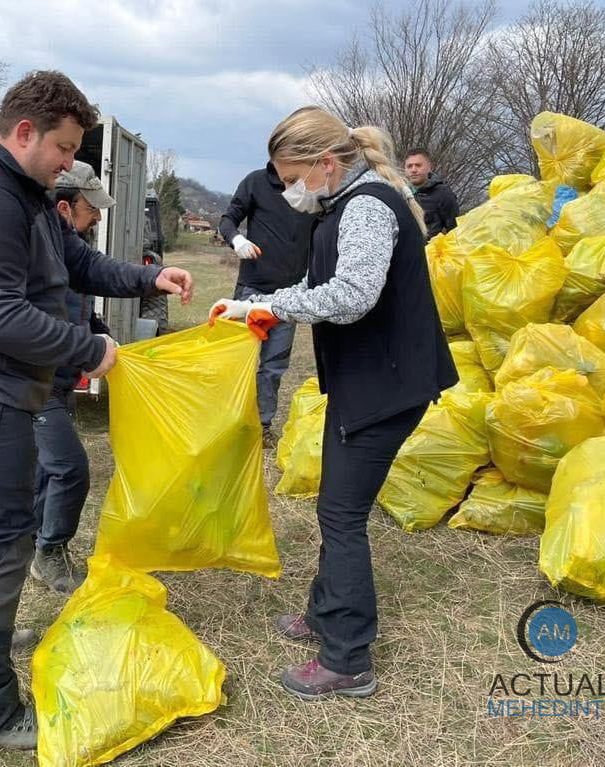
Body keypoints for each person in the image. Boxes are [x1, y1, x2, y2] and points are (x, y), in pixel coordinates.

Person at [0, 70, 194, 755]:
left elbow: (77, 264)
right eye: (64, 147)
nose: (69, 162)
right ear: (25, 132)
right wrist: (91, 348)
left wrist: (149, 277)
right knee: (0, 545)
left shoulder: (25, 193)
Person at [210, 106, 457, 701]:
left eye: (292, 178)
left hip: (386, 385)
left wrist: (270, 307)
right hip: (368, 380)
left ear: (325, 163)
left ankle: (346, 657)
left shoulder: (369, 205)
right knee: (335, 505)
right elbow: (325, 287)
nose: (288, 191)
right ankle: (325, 616)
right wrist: (257, 305)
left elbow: (351, 296)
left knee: (342, 517)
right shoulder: (345, 201)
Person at [28, 160, 113, 594]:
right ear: (64, 208)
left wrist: (105, 337)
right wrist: (88, 349)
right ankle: (48, 552)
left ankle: (35, 542)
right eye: (90, 208)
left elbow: (80, 309)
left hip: (58, 382)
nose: (97, 216)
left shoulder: (68, 250)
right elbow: (35, 322)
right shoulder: (36, 256)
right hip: (33, 384)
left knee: (48, 469)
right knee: (69, 468)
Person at [219, 164, 314, 447]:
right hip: (252, 289)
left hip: (290, 294)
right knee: (240, 361)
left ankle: (261, 427)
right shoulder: (256, 182)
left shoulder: (312, 186)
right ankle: (230, 423)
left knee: (273, 366)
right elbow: (227, 220)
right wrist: (236, 240)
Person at [403, 148, 460, 238]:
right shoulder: (398, 193)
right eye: (409, 166)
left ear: (429, 167)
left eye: (418, 165)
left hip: (429, 250)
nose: (413, 170)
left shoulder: (443, 194)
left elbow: (455, 230)